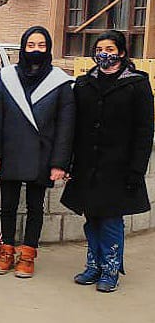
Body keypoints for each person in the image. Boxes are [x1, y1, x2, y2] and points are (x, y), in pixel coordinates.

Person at [61, 30, 153, 293]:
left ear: (122, 53)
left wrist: (136, 169)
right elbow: (74, 127)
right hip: (88, 166)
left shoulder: (137, 84)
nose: (105, 53)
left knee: (111, 219)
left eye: (110, 49)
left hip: (119, 167)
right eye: (100, 48)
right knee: (91, 218)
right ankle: (94, 265)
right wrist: (69, 162)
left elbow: (144, 131)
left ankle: (111, 269)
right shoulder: (84, 83)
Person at [0, 26, 74, 278]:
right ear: (23, 48)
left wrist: (60, 163)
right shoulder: (8, 76)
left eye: (41, 46)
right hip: (10, 152)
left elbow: (66, 127)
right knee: (8, 206)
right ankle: (6, 251)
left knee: (35, 207)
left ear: (48, 49)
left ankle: (28, 254)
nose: (35, 50)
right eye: (31, 45)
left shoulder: (60, 81)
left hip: (42, 156)